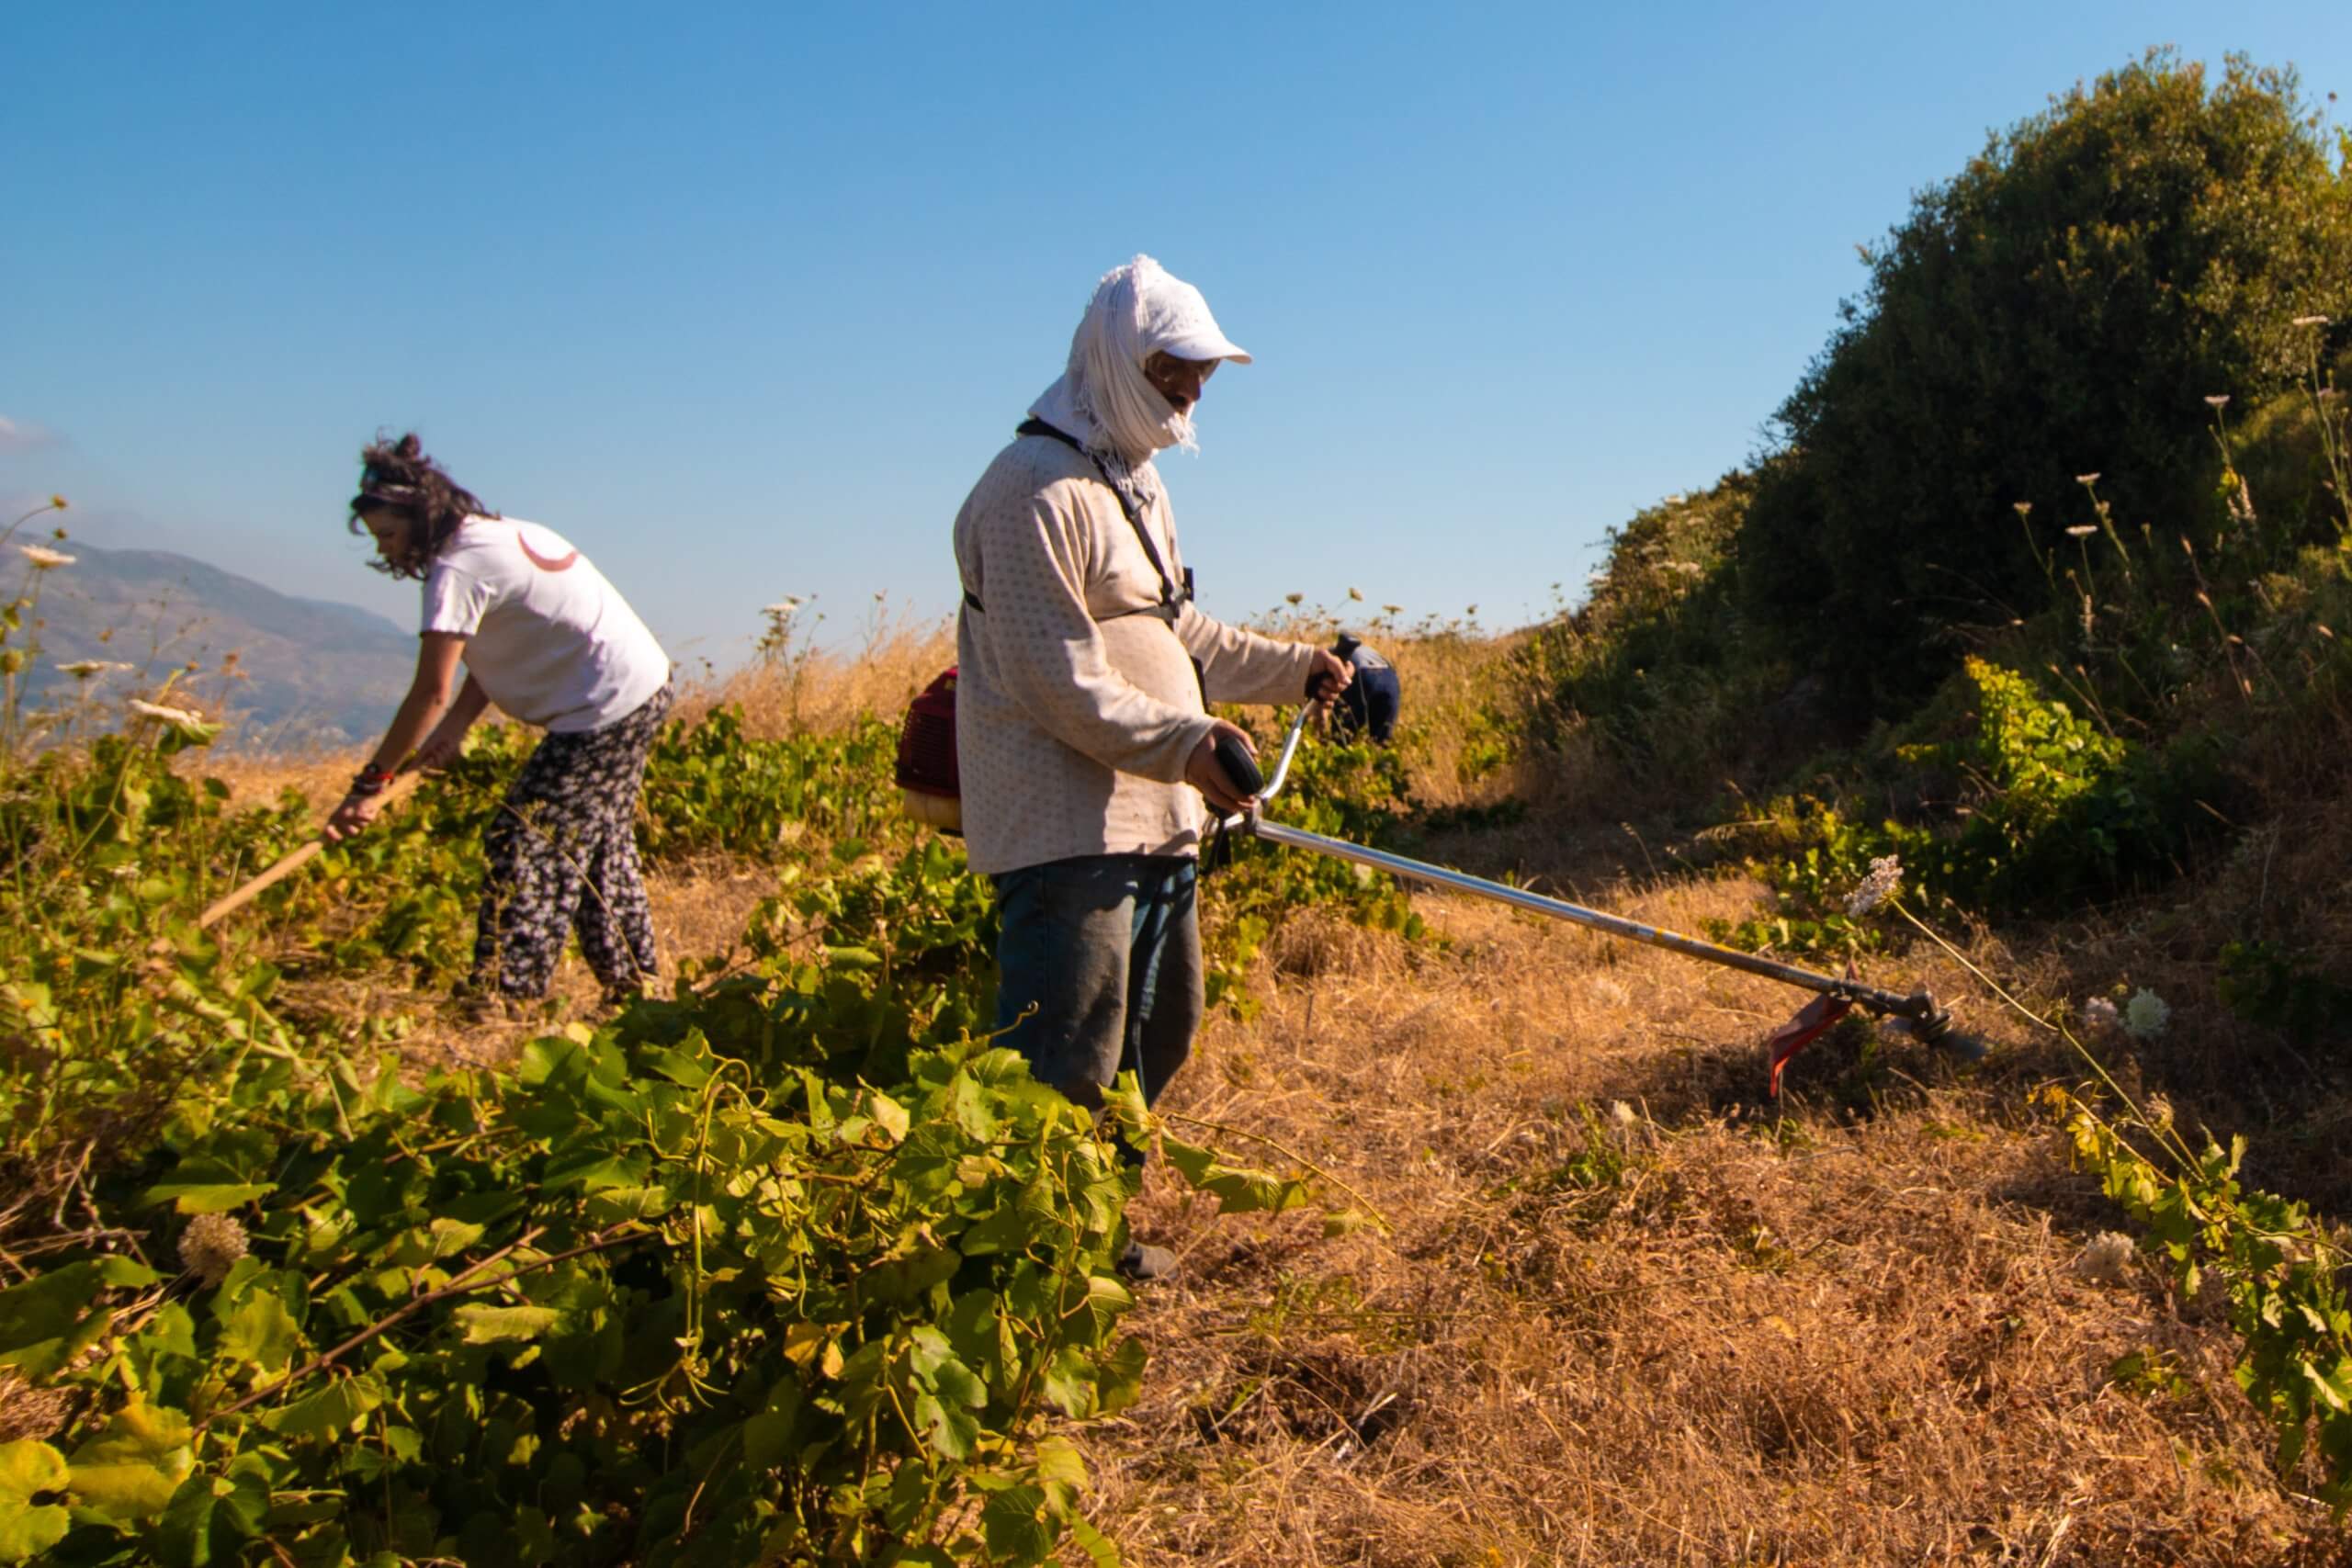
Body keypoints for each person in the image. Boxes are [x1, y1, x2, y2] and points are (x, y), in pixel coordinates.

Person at [952, 256, 1351, 1280]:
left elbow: (1185, 633)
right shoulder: (1028, 490)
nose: (1194, 391)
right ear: (1118, 359)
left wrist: (1298, 667)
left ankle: (1093, 1228)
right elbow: (1056, 680)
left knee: (1155, 1035)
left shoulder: (1132, 483)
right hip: (1068, 829)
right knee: (1064, 1057)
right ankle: (1028, 1272)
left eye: (1204, 372)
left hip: (1157, 817)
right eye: (1176, 368)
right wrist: (1188, 742)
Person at [324, 434, 673, 1018]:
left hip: (603, 708)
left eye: (389, 534)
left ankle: (504, 997)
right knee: (596, 845)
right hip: (641, 688)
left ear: (419, 517)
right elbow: (501, 649)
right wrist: (457, 729)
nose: (385, 550)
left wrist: (372, 784)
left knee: (524, 840)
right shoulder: (496, 535)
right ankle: (635, 987)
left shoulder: (458, 569)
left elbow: (429, 691)